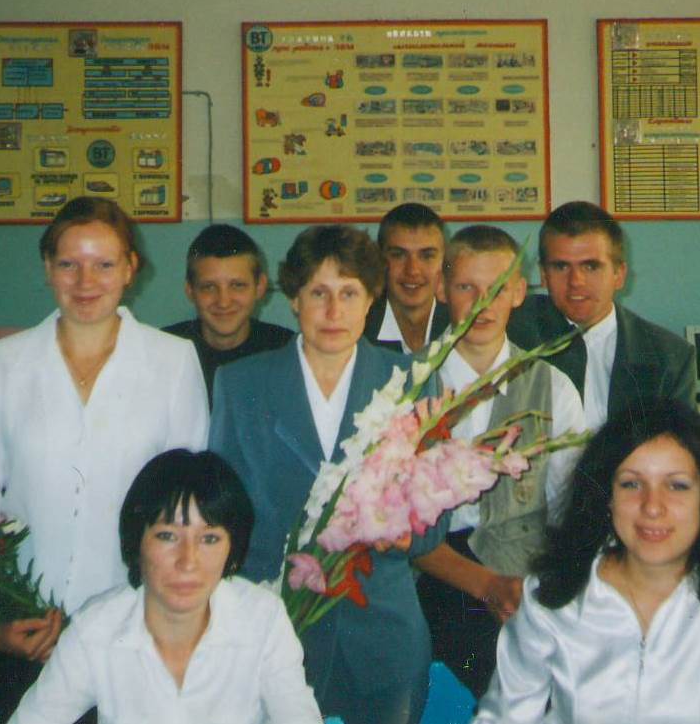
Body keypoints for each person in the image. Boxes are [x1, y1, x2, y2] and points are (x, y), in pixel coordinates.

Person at [0, 197, 209, 722]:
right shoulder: (5, 364)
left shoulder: (173, 362)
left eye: (104, 264)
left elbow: (187, 514)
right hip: (20, 630)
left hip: (131, 633)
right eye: (69, 263)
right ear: (48, 268)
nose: (86, 281)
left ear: (130, 268)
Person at [211, 225, 442, 724]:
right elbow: (223, 519)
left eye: (349, 293)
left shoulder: (411, 381)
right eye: (318, 293)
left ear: (371, 299)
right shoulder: (240, 384)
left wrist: (406, 534)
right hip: (276, 631)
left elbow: (434, 524)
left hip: (382, 635)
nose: (334, 311)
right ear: (294, 299)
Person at [473, 399, 700, 723]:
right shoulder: (556, 590)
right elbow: (504, 717)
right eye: (631, 484)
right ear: (607, 496)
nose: (652, 506)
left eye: (677, 486)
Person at [9, 449, 322, 724]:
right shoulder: (96, 628)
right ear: (137, 541)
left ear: (232, 550)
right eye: (168, 536)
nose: (188, 561)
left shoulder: (263, 619)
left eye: (209, 539)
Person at [413, 226, 586, 698]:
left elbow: (568, 509)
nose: (482, 304)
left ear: (518, 292)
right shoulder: (406, 383)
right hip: (430, 570)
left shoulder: (553, 387)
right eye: (466, 287)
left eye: (497, 288)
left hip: (522, 570)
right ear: (442, 290)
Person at [507, 201, 695, 431]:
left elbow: (681, 445)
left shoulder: (669, 357)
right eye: (561, 267)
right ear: (544, 275)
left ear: (619, 275)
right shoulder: (510, 334)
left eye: (591, 267)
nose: (576, 281)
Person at [163, 224, 293, 412]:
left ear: (260, 287)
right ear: (190, 290)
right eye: (209, 287)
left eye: (237, 285)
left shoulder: (287, 350)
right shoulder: (164, 350)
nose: (223, 302)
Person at [364, 202, 450, 353]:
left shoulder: (462, 328)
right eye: (398, 255)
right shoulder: (357, 330)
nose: (412, 270)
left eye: (427, 256)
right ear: (379, 259)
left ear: (444, 262)